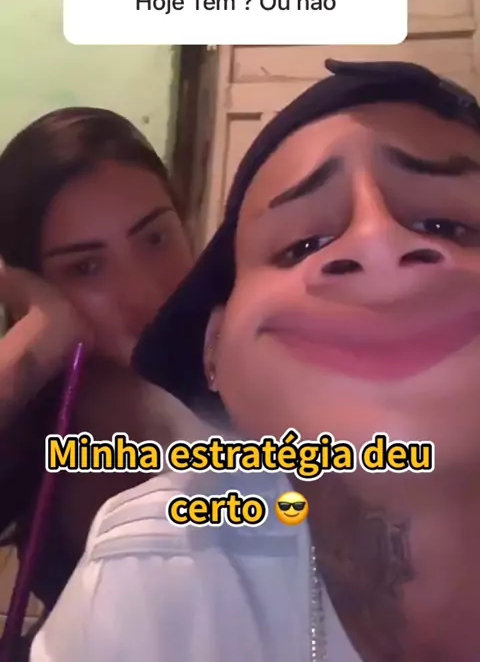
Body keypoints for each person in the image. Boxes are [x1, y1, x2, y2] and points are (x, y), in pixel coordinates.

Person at [31, 60, 480, 662]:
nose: (378, 247)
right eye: (304, 245)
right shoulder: (148, 571)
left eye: (448, 224)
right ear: (213, 346)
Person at [0, 106, 196, 622]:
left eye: (155, 239)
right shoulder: (47, 416)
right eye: (86, 267)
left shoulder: (258, 385)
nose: (145, 295)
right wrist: (38, 341)